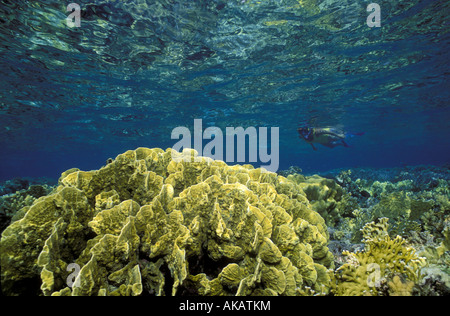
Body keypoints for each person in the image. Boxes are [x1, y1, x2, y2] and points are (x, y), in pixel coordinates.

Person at [297, 126, 364, 151]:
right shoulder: (303, 137)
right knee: (332, 146)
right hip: (322, 142)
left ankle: (356, 134)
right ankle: (341, 143)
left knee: (342, 136)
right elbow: (309, 141)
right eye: (301, 133)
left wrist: (338, 135)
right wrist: (313, 147)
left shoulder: (316, 131)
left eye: (304, 132)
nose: (304, 134)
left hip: (327, 137)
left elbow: (327, 131)